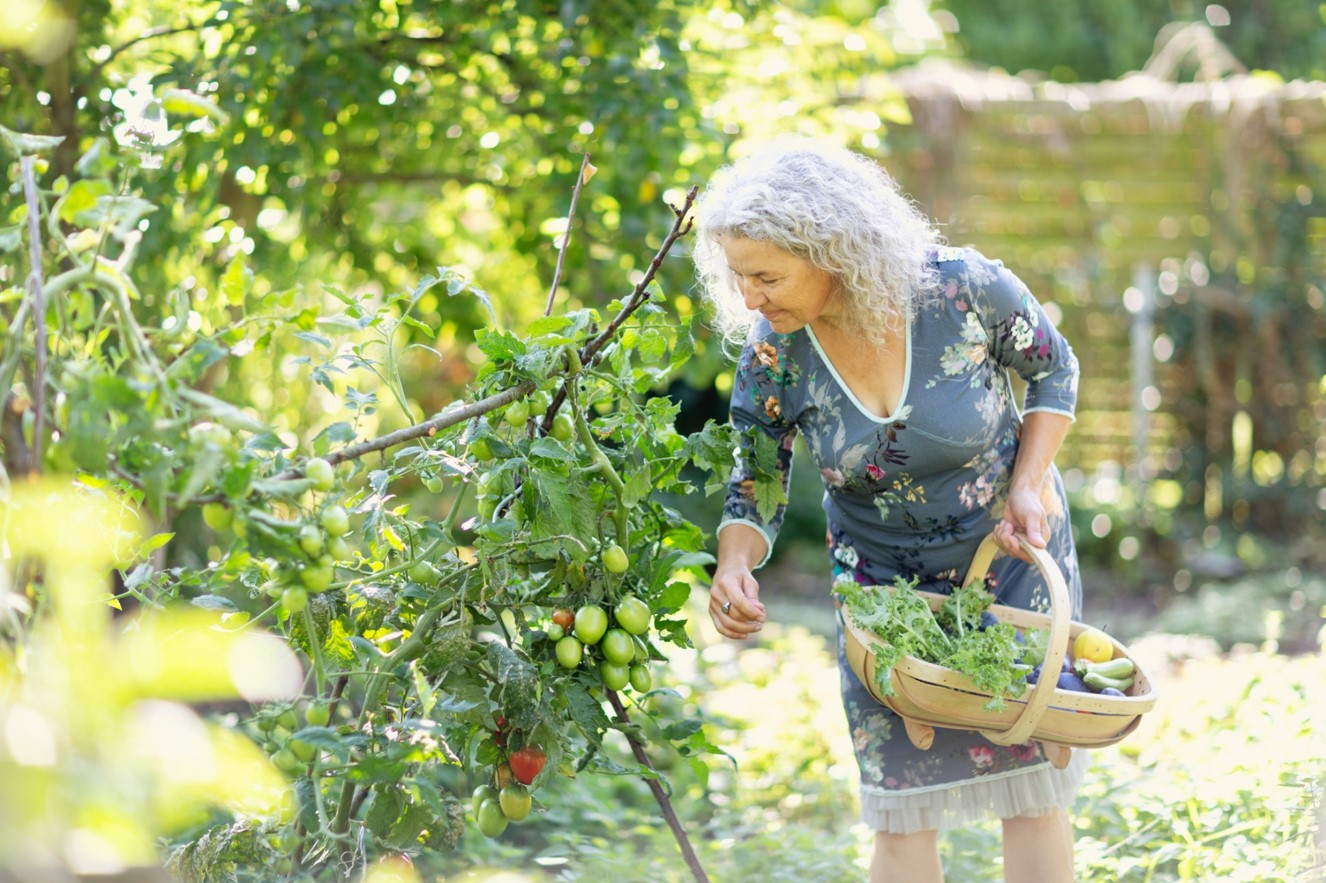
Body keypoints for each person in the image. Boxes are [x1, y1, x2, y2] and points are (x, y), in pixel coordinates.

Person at [694, 138, 1086, 883]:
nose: (749, 298)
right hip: (885, 603)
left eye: (765, 276)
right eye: (738, 277)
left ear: (829, 251)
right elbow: (757, 478)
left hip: (1008, 569)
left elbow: (1053, 368)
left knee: (1031, 791)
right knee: (902, 803)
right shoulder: (775, 355)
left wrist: (1028, 483)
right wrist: (736, 564)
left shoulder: (962, 289)